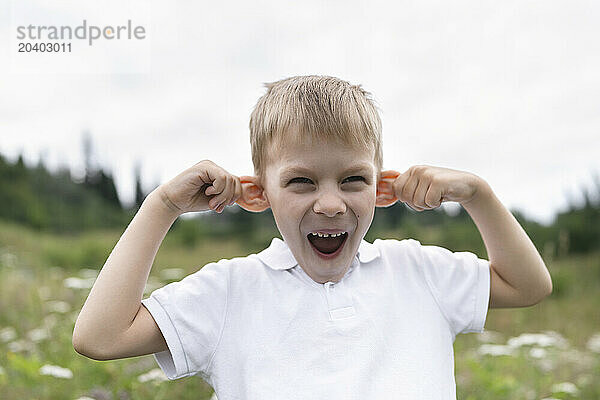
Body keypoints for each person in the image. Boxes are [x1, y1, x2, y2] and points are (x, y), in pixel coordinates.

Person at [72, 75, 553, 399]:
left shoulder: (419, 272)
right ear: (260, 193)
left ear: (382, 189)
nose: (330, 203)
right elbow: (100, 337)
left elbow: (529, 286)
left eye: (352, 180)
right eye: (302, 181)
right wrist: (163, 206)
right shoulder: (228, 291)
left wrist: (479, 195)